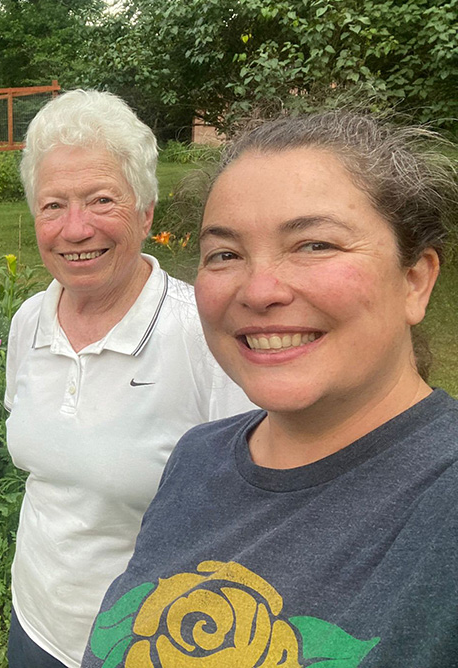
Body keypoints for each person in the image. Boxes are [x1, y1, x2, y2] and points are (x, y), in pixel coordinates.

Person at [83, 112, 458, 667]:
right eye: (226, 254)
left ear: (415, 279)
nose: (259, 291)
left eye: (313, 245)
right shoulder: (197, 458)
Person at [4, 89, 253, 668]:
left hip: (154, 641)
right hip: (36, 621)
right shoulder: (27, 324)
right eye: (52, 205)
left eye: (100, 200)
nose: (75, 228)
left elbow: (251, 508)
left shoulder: (202, 336)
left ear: (145, 211)